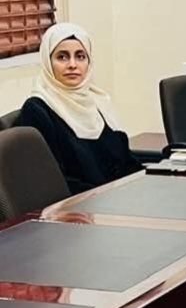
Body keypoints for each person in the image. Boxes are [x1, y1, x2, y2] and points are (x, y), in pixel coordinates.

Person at [15, 23, 141, 194]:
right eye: (62, 57)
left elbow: (125, 161)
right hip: (82, 205)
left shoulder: (98, 101)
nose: (72, 64)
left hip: (118, 198)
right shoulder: (37, 110)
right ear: (47, 62)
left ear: (89, 62)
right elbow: (54, 182)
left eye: (80, 56)